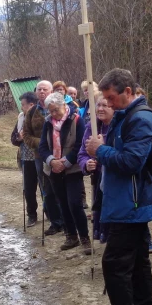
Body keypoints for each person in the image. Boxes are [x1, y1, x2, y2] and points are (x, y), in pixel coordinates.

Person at [84, 68, 152, 305]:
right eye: (104, 98)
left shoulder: (140, 119)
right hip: (126, 200)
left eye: (111, 97)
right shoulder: (125, 115)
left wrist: (100, 151)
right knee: (138, 260)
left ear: (128, 92)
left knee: (114, 264)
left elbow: (132, 161)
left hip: (131, 203)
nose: (107, 103)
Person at [38, 92, 90, 254]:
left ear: (64, 105)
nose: (53, 114)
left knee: (74, 203)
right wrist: (52, 161)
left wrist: (65, 162)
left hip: (73, 169)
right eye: (50, 111)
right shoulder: (48, 123)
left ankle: (84, 238)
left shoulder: (77, 120)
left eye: (56, 110)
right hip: (54, 170)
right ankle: (71, 236)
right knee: (63, 203)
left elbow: (80, 145)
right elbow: (42, 147)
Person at [22, 80, 64, 235]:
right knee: (47, 189)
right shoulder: (32, 112)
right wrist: (42, 144)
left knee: (63, 188)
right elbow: (26, 135)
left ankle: (66, 220)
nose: (41, 92)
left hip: (61, 155)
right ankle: (55, 221)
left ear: (51, 91)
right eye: (39, 89)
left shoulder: (61, 107)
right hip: (40, 156)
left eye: (44, 89)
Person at [79, 96, 114, 243]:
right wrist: (87, 164)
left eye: (105, 105)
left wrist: (102, 148)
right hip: (98, 178)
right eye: (98, 105)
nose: (100, 109)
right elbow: (82, 153)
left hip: (116, 179)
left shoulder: (119, 126)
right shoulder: (92, 127)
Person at [15, 92, 39, 227]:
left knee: (46, 189)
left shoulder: (39, 117)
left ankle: (52, 214)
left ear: (31, 104)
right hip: (26, 157)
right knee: (29, 189)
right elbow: (13, 138)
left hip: (40, 157)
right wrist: (18, 138)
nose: (21, 107)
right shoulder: (20, 118)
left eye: (23, 104)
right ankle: (32, 215)